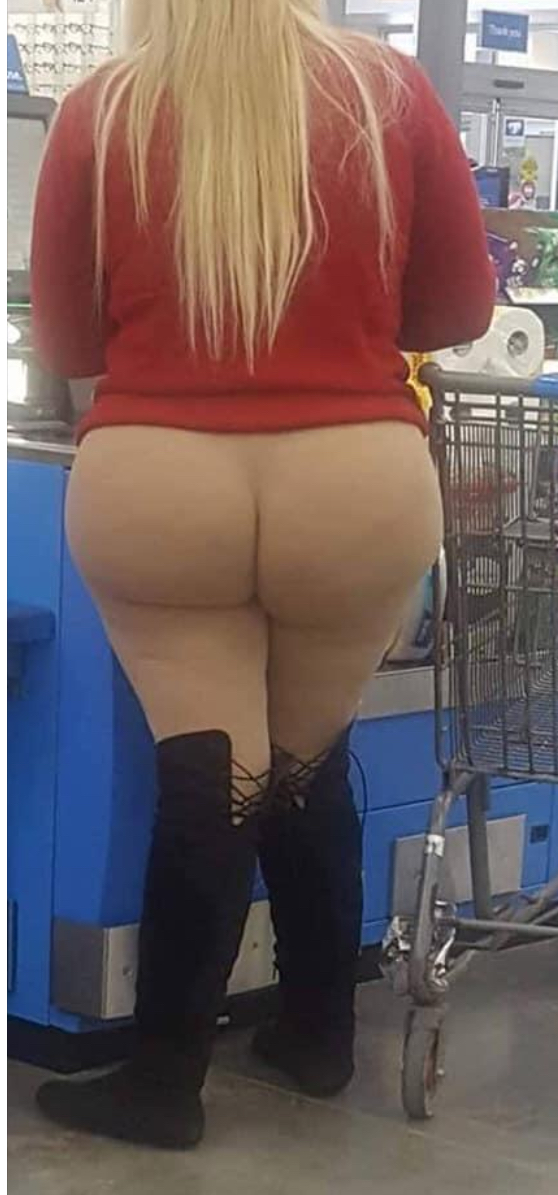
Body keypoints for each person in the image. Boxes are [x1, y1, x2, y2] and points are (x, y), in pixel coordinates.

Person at [31, 0, 494, 1151]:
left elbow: (69, 343)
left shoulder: (102, 112)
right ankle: (317, 1034)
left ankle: (162, 1082)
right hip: (355, 481)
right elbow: (456, 307)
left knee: (211, 769)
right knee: (304, 758)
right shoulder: (387, 93)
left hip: (160, 481)